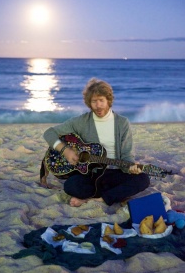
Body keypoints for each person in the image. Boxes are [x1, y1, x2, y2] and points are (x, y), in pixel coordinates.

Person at [41, 78, 150, 207]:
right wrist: (65, 150)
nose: (98, 106)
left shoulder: (122, 123)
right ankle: (113, 194)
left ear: (108, 101)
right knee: (71, 186)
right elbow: (49, 133)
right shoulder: (81, 122)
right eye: (94, 101)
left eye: (101, 100)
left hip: (116, 172)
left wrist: (131, 167)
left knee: (143, 179)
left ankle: (98, 199)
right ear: (89, 103)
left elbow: (126, 155)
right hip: (91, 174)